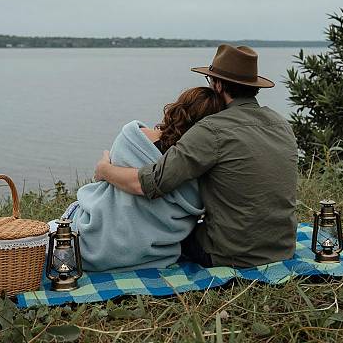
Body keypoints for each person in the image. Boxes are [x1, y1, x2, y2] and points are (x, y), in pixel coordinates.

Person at [95, 44, 298, 268]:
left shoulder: (212, 129)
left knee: (173, 234)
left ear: (218, 85)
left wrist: (104, 169)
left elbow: (149, 184)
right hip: (283, 248)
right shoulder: (282, 124)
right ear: (253, 86)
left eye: (211, 81)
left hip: (231, 255)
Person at [57, 86, 225, 272]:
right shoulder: (201, 170)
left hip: (97, 241)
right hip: (151, 254)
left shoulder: (133, 139)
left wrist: (105, 167)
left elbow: (112, 176)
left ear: (179, 108)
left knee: (64, 223)